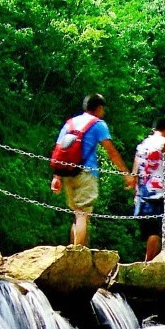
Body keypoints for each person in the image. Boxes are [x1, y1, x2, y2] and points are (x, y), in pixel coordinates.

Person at [50, 94, 135, 247]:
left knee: (77, 214)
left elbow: (60, 149)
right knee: (83, 213)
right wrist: (126, 174)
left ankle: (73, 250)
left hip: (67, 172)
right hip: (86, 173)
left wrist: (57, 177)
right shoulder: (98, 124)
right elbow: (111, 151)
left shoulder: (70, 123)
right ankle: (77, 254)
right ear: (99, 108)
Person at [132, 117, 165, 261]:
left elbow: (135, 169)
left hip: (143, 190)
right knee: (156, 230)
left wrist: (135, 190)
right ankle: (148, 263)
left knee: (148, 230)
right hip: (158, 192)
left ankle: (148, 261)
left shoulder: (142, 144)